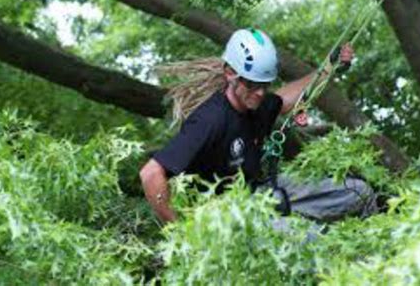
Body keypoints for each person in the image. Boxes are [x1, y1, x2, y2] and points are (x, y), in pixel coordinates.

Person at [140, 28, 376, 224]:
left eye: (266, 84)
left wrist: (327, 68)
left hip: (263, 193)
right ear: (231, 73)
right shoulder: (210, 120)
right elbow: (150, 174)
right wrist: (181, 233)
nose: (261, 93)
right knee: (308, 240)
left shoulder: (258, 101)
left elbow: (284, 99)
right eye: (253, 84)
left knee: (359, 193)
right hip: (228, 216)